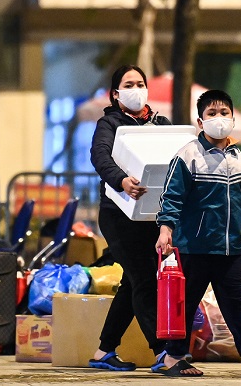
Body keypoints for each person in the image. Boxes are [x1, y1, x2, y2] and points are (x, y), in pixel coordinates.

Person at [154, 90, 241, 378]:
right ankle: (173, 358)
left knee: (237, 302)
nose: (219, 119)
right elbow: (171, 197)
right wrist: (166, 230)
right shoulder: (188, 155)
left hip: (229, 248)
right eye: (211, 114)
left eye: (224, 113)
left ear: (233, 119)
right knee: (183, 303)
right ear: (200, 122)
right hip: (194, 247)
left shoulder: (238, 157)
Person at [89, 64, 170, 370]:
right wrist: (121, 180)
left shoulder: (162, 124)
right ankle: (163, 351)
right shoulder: (109, 125)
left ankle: (104, 351)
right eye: (129, 84)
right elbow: (100, 156)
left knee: (133, 282)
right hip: (118, 217)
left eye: (140, 83)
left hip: (151, 217)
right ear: (116, 93)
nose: (136, 89)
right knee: (145, 279)